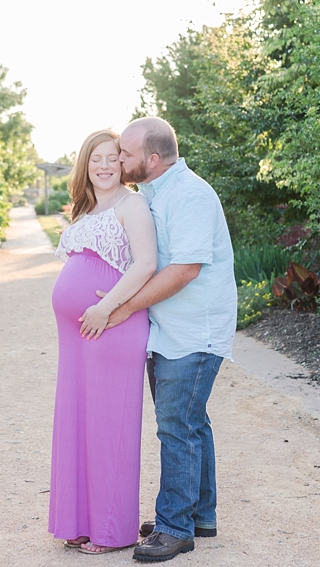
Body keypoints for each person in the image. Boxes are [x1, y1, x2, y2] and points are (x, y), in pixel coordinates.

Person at [96, 116, 237, 563]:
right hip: (171, 330)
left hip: (195, 332)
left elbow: (184, 270)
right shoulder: (156, 193)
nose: (119, 160)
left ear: (152, 160)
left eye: (126, 154)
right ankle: (200, 515)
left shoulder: (189, 194)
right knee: (192, 422)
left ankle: (174, 527)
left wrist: (125, 307)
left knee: (176, 427)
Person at [48, 129, 157, 554]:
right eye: (97, 159)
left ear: (124, 164)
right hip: (76, 337)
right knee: (77, 423)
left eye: (113, 158)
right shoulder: (87, 210)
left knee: (110, 427)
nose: (105, 166)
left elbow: (146, 264)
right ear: (85, 165)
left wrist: (105, 309)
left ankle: (112, 531)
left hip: (112, 327)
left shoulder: (133, 205)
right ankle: (78, 522)